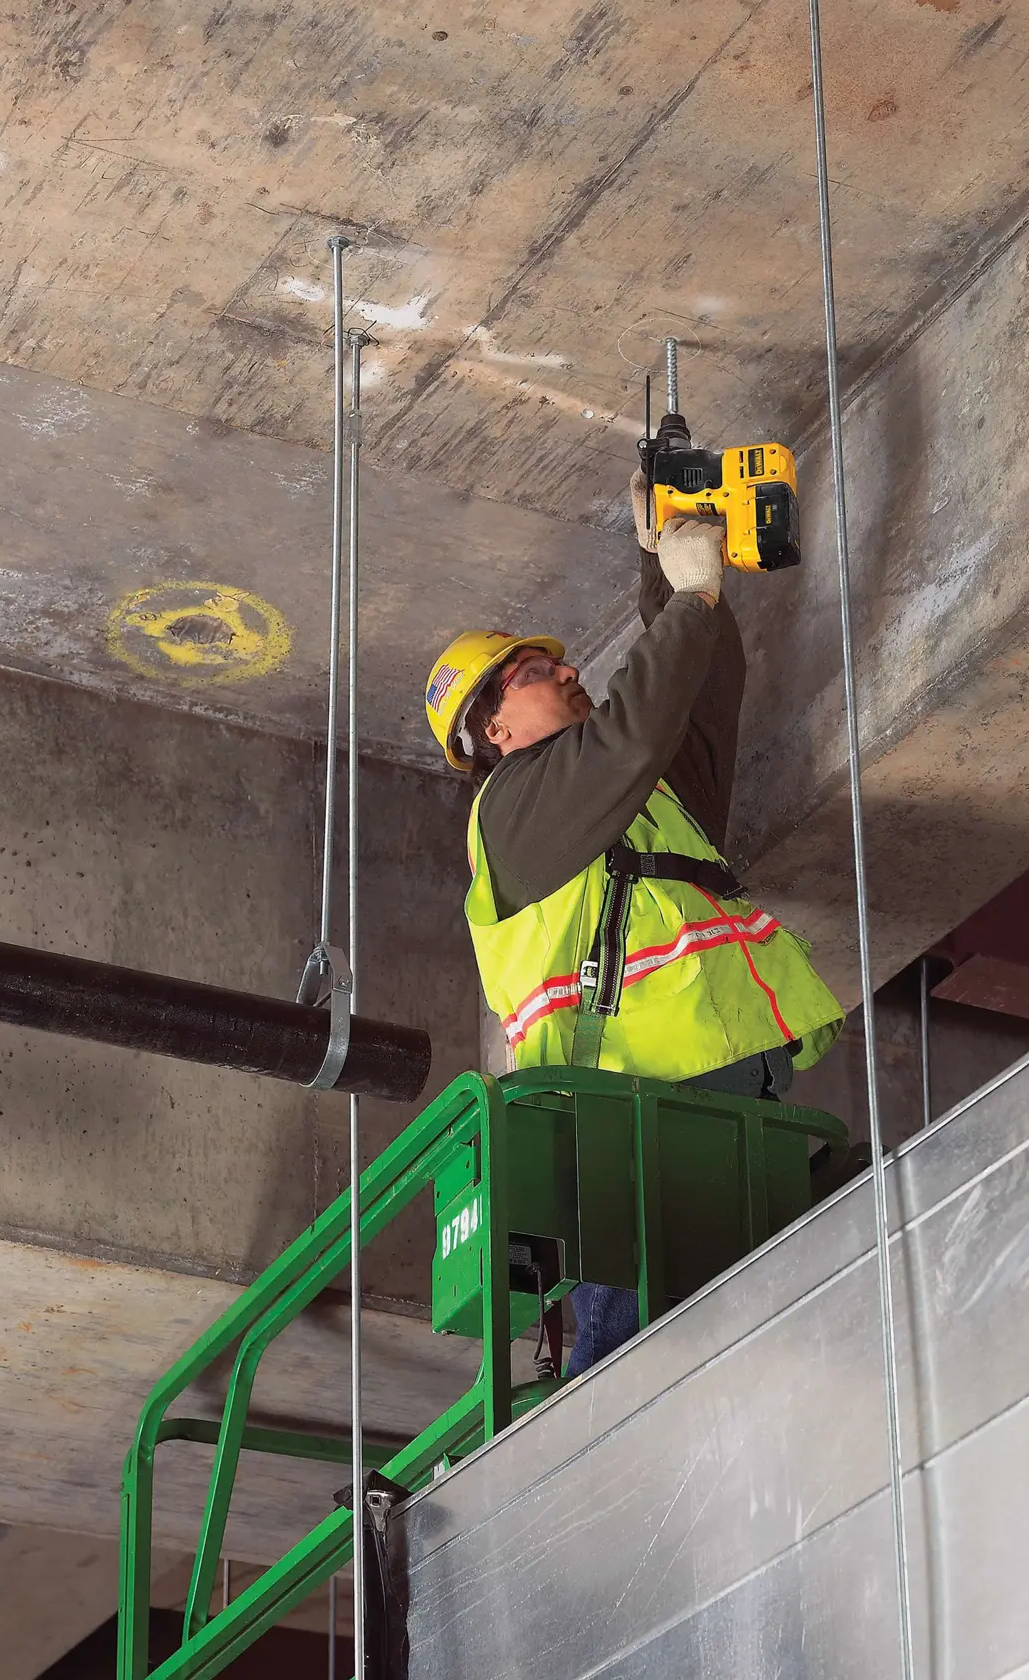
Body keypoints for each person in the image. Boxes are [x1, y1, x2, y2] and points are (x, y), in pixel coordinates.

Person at [423, 473, 845, 1375]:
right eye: (539, 675)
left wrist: (667, 574)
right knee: (633, 1357)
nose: (571, 670)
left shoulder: (637, 797)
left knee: (725, 1342)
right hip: (631, 1114)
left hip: (720, 1092)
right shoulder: (512, 812)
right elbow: (631, 734)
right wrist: (686, 599)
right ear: (490, 728)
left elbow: (691, 702)